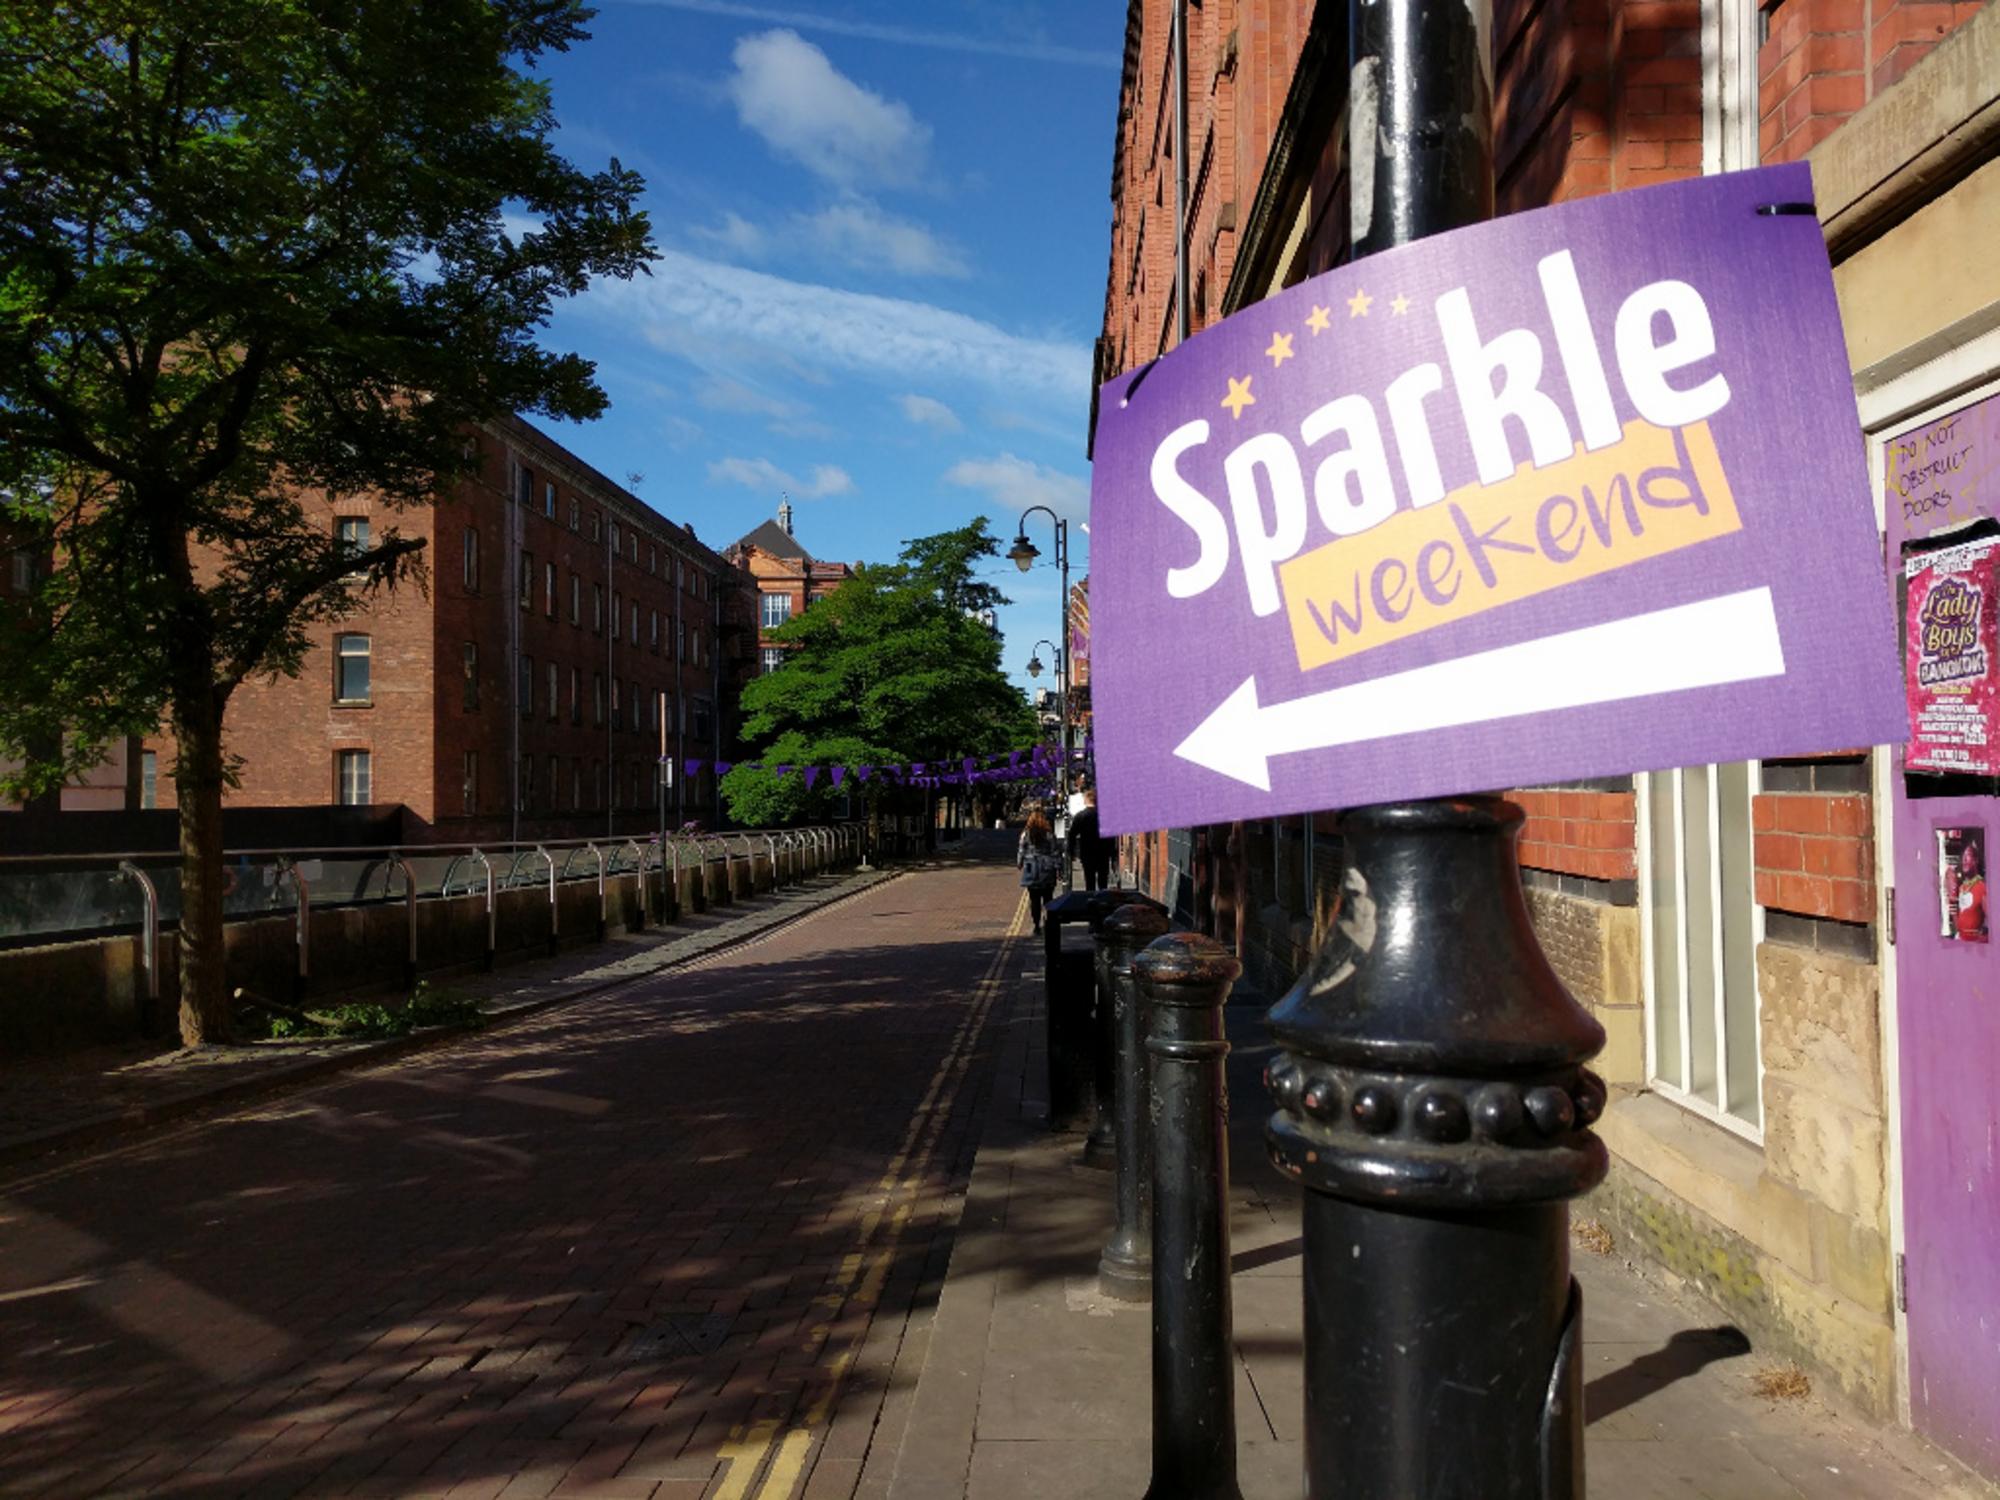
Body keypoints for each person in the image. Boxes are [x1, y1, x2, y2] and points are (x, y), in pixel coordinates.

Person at [1067, 787, 1117, 892]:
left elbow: (1071, 835)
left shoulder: (1080, 816)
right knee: (1103, 883)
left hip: (1087, 854)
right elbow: (1111, 837)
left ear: (1086, 800)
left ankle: (1091, 904)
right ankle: (1102, 905)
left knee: (1089, 883)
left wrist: (1071, 852)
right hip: (1103, 854)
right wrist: (1113, 855)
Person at [1018, 809, 1059, 932]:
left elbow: (1021, 850)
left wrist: (1019, 863)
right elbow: (1055, 852)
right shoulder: (1049, 834)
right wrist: (1059, 868)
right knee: (1048, 897)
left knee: (1034, 898)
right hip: (1047, 868)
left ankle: (1036, 924)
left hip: (1031, 868)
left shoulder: (1026, 834)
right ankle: (1049, 922)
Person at [1956, 837, 1987, 941]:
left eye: (1968, 855)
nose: (1964, 860)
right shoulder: (1961, 888)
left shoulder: (1982, 888)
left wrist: (1980, 940)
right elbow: (1959, 924)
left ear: (1975, 860)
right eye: (1963, 856)